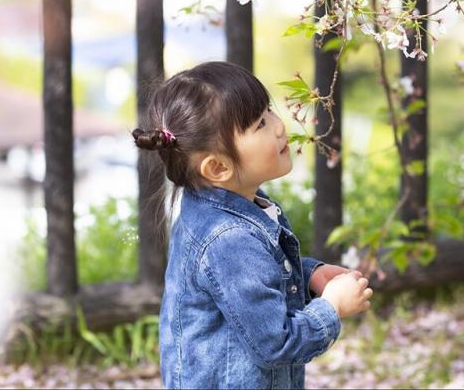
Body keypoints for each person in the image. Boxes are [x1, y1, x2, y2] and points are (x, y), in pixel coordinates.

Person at [132, 61, 373, 389]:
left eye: (269, 111)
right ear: (218, 167)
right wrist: (332, 308)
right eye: (260, 123)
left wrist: (307, 274)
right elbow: (277, 343)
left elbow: (247, 282)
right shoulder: (229, 239)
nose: (278, 126)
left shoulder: (216, 205)